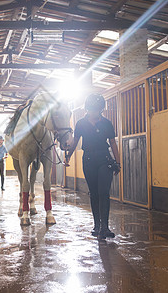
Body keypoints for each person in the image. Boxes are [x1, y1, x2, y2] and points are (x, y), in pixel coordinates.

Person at [65, 94, 121, 240]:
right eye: (92, 109)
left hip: (104, 159)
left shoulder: (107, 123)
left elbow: (113, 142)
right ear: (87, 109)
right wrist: (68, 156)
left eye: (97, 109)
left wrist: (118, 162)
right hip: (88, 159)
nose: (94, 112)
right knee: (94, 193)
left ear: (101, 109)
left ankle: (105, 227)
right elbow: (76, 141)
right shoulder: (81, 124)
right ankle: (97, 225)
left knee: (104, 192)